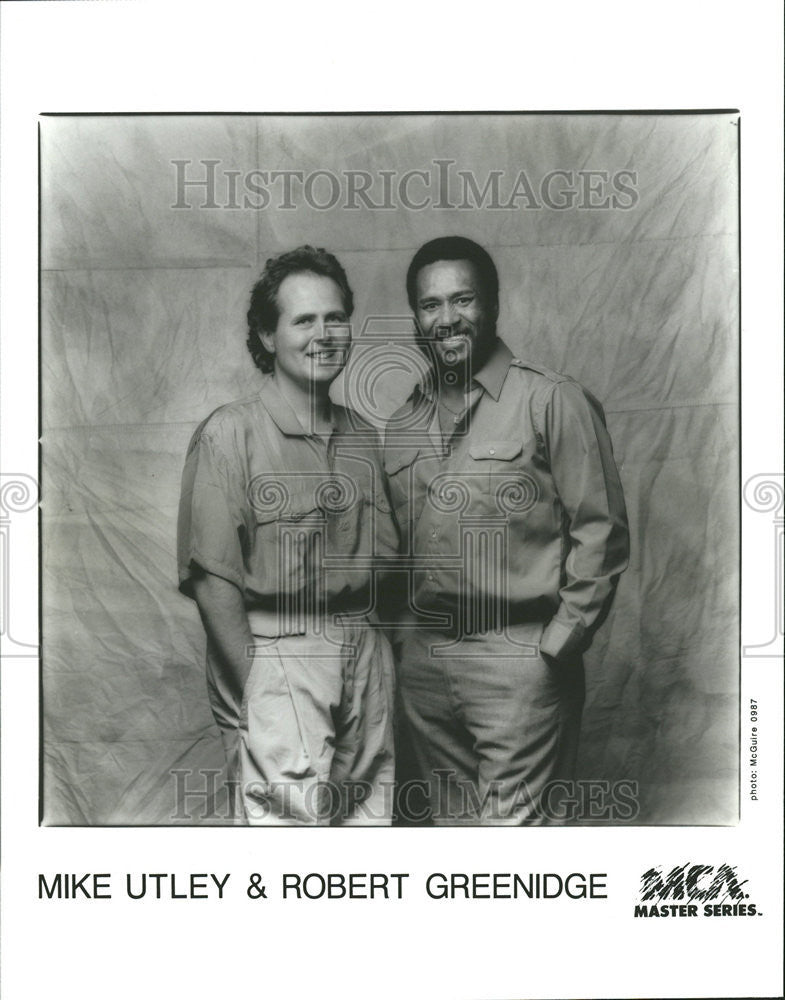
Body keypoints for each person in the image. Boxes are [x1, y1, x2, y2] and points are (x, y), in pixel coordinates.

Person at [384, 236, 629, 825]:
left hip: (520, 661)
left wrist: (559, 643)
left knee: (515, 851)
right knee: (452, 850)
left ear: (493, 304)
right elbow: (396, 551)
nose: (446, 319)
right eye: (430, 304)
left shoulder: (551, 399)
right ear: (416, 316)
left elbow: (602, 528)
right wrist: (403, 647)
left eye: (462, 299)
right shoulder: (401, 423)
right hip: (425, 668)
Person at [177, 245, 397, 825]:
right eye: (303, 319)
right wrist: (260, 683)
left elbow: (390, 569)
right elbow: (211, 579)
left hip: (366, 656)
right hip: (280, 657)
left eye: (335, 317)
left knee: (369, 842)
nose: (323, 334)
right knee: (289, 860)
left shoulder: (363, 437)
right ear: (268, 336)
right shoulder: (230, 435)